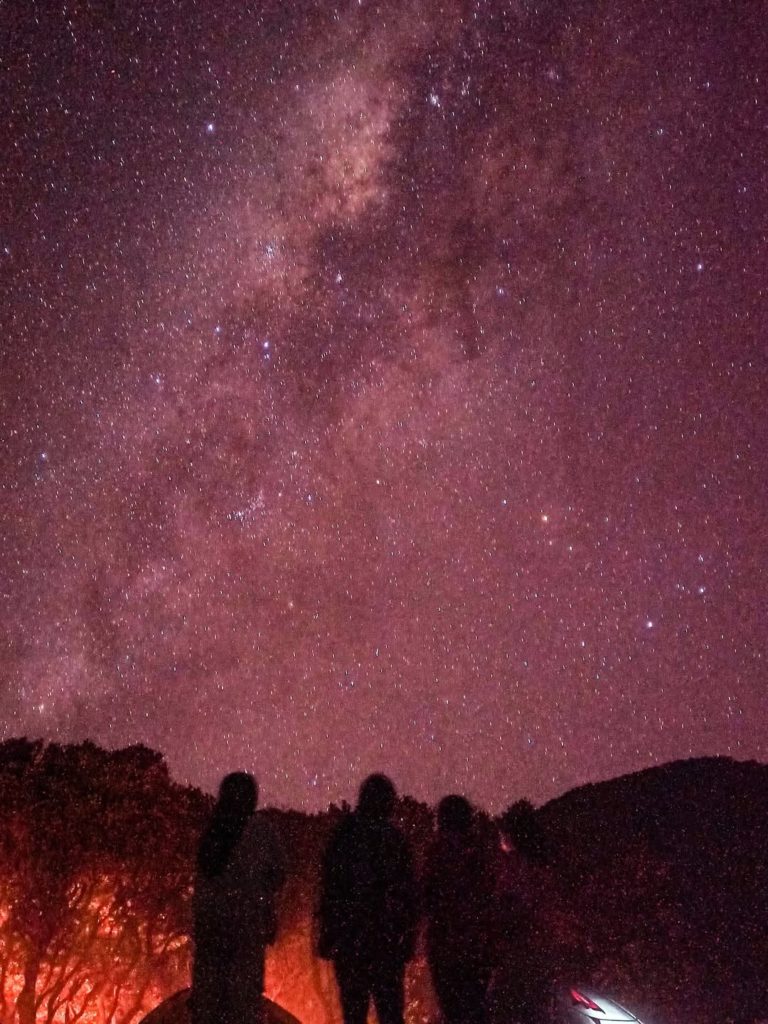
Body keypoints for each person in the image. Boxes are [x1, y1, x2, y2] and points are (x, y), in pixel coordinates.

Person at [317, 774, 417, 1024]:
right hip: (386, 941)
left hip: (351, 940)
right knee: (390, 1013)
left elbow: (331, 887)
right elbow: (409, 894)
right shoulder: (394, 840)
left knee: (354, 1013)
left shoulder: (343, 836)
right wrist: (408, 937)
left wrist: (328, 933)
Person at [190, 772, 286, 1024]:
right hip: (247, 930)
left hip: (212, 929)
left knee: (209, 1001)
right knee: (243, 1003)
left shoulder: (212, 832)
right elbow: (278, 876)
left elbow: (203, 883)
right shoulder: (262, 831)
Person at [424, 795, 495, 1024]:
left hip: (445, 947)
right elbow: (490, 897)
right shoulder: (480, 853)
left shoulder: (436, 853)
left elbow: (426, 897)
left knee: (453, 1012)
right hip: (476, 947)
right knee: (476, 1010)